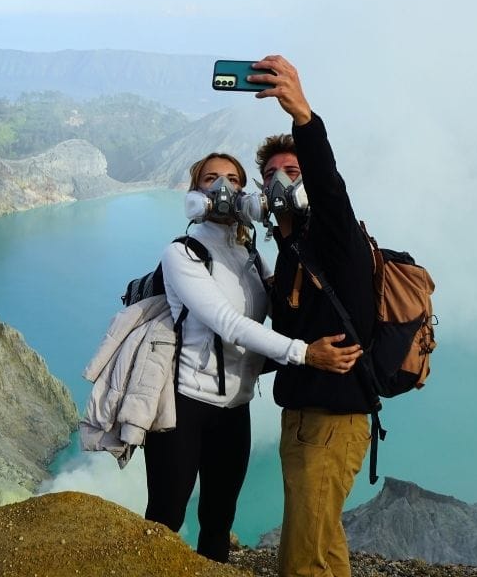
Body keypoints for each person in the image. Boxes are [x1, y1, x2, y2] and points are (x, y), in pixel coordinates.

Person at [143, 150, 361, 563]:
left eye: (232, 179)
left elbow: (285, 307)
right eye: (210, 179)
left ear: (246, 193)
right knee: (165, 517)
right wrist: (304, 354)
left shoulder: (249, 255)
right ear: (195, 191)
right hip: (183, 406)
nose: (222, 187)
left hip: (234, 409)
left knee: (219, 519)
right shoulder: (182, 254)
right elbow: (228, 323)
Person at [250, 54, 378, 577]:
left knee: (302, 557)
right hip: (309, 419)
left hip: (329, 422)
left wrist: (302, 116)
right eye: (272, 175)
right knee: (321, 543)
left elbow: (329, 188)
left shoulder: (335, 238)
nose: (281, 181)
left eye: (291, 171)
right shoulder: (293, 249)